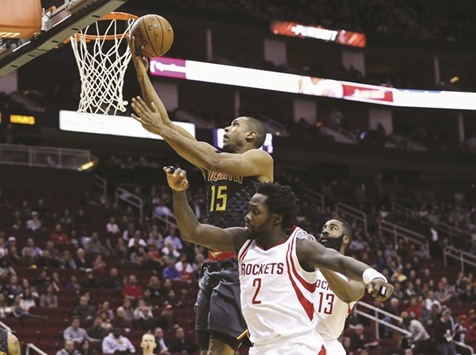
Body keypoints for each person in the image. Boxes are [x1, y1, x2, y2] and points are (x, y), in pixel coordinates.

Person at [130, 38, 273, 355]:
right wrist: (142, 72)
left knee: (219, 349)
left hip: (242, 263)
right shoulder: (210, 154)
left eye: (234, 125)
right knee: (210, 349)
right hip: (212, 263)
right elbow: (165, 123)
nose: (227, 127)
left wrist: (163, 130)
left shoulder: (261, 160)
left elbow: (213, 162)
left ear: (251, 135)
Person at [164, 167, 394, 354]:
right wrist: (179, 193)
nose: (247, 216)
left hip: (297, 347)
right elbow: (193, 232)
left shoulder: (299, 245)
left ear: (275, 218)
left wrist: (374, 276)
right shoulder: (241, 239)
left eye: (255, 212)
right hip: (261, 348)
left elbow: (339, 262)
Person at [312, 218, 367, 354]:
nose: (324, 231)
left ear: (345, 239)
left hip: (328, 344)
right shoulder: (304, 264)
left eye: (333, 228)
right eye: (324, 227)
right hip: (295, 340)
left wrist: (322, 264)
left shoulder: (354, 275)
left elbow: (350, 295)